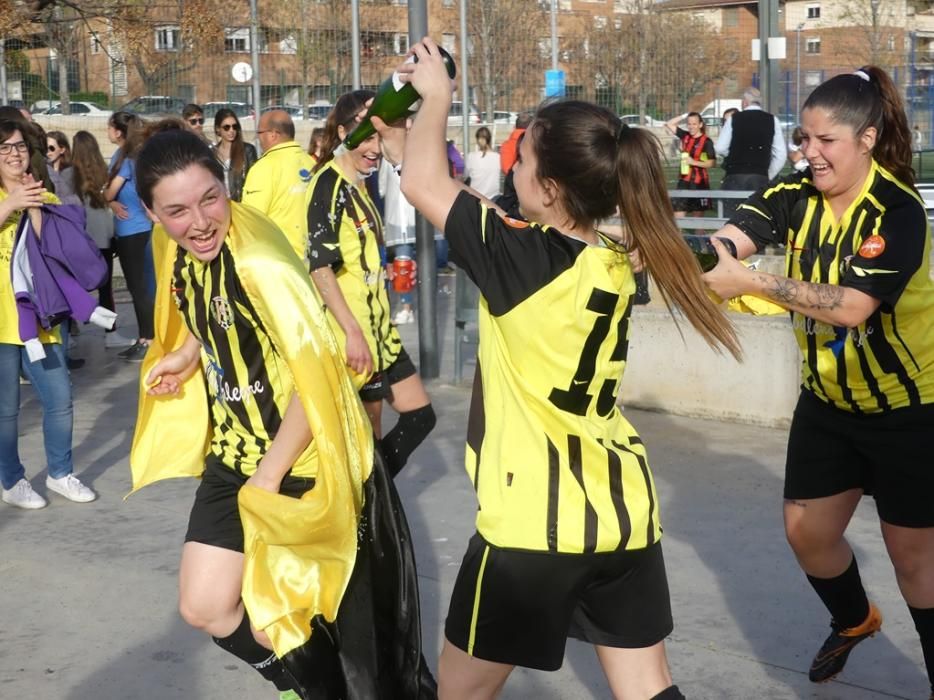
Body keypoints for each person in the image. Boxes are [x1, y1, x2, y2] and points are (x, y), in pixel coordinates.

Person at [397, 38, 741, 700]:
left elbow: (424, 185)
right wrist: (402, 134)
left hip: (533, 527)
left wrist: (436, 96)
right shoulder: (613, 257)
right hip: (622, 512)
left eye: (522, 160)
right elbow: (459, 197)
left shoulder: (518, 259)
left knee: (459, 694)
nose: (512, 171)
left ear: (550, 189)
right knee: (647, 688)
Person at [131, 127, 436, 700]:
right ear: (150, 211)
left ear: (227, 187)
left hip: (299, 464)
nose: (198, 221)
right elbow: (206, 311)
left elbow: (313, 376)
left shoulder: (260, 262)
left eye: (209, 199)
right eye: (176, 210)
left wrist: (269, 477)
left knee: (310, 629)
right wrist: (187, 353)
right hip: (232, 459)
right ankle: (300, 687)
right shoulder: (178, 251)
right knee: (205, 607)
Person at [702, 66, 934, 698]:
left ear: (866, 137)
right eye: (803, 139)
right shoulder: (796, 191)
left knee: (916, 564)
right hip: (829, 401)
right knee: (807, 534)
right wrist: (680, 259)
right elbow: (733, 239)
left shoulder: (897, 209)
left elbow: (854, 305)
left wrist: (751, 283)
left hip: (908, 410)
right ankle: (856, 619)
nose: (810, 153)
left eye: (825, 140)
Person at [307, 90, 435, 479]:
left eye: (381, 135)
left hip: (381, 335)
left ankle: (373, 498)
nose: (375, 147)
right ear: (344, 132)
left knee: (420, 417)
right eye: (367, 136)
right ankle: (367, 522)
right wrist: (351, 332)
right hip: (356, 337)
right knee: (367, 446)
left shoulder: (361, 184)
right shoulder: (327, 184)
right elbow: (319, 268)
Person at [0, 120, 96, 509]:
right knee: (6, 409)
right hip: (2, 323)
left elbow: (65, 249)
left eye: (19, 146)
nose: (14, 154)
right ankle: (12, 480)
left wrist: (35, 209)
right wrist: (9, 205)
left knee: (60, 399)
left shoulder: (46, 194)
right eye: (4, 148)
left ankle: (60, 474)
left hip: (42, 319)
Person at [104, 111, 154, 361]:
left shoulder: (124, 158)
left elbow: (109, 192)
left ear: (119, 132)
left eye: (110, 128)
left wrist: (109, 200)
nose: (107, 132)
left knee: (139, 288)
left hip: (133, 231)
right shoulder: (130, 155)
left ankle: (149, 339)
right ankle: (145, 337)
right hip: (134, 229)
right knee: (140, 287)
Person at [241, 109, 315, 262]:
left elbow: (251, 221)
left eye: (259, 133)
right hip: (314, 260)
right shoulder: (311, 163)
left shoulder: (264, 167)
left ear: (273, 134)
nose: (258, 139)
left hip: (281, 261)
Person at [71, 130, 116, 344]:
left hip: (81, 239)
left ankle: (73, 328)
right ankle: (110, 333)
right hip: (104, 238)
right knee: (105, 288)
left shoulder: (70, 175)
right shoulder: (104, 173)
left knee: (75, 285)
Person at [714, 87, 786, 216]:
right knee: (757, 218)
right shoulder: (772, 120)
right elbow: (781, 155)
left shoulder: (734, 118)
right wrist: (767, 174)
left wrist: (734, 156)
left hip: (734, 177)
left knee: (731, 218)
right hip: (759, 177)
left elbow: (720, 147)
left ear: (745, 102)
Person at [378, 157, 417, 325]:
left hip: (399, 220)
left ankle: (406, 308)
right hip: (412, 217)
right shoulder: (415, 154)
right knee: (406, 263)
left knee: (403, 264)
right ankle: (406, 306)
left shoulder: (388, 160)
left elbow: (381, 188)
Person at [664, 112, 716, 218]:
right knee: (678, 218)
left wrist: (693, 162)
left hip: (699, 183)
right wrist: (684, 115)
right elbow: (669, 124)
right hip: (684, 181)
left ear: (700, 125)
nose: (691, 127)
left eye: (694, 124)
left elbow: (712, 163)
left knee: (698, 222)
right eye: (689, 124)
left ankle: (699, 234)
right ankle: (678, 235)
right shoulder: (685, 136)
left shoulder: (706, 141)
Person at [211, 108, 257, 202]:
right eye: (226, 127)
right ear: (218, 129)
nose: (231, 130)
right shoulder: (212, 153)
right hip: (221, 206)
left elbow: (254, 182)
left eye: (234, 126)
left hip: (242, 206)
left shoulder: (248, 150)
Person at [464, 126, 501, 200]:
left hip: (475, 197)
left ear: (477, 140)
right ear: (490, 139)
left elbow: (465, 176)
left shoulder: (471, 156)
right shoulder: (498, 157)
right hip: (494, 199)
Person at [45, 130, 78, 203]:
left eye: (51, 148)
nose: (48, 152)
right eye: (45, 148)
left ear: (62, 150)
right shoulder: (43, 170)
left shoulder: (70, 173)